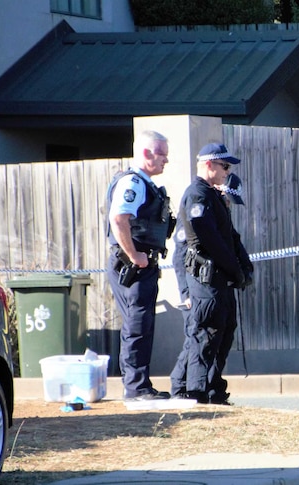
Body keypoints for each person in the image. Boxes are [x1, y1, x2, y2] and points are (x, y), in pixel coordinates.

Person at [172, 143, 253, 405]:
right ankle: (194, 391)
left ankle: (213, 389)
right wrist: (233, 269)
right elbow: (207, 241)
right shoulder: (198, 195)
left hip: (220, 280)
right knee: (205, 334)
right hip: (206, 280)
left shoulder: (212, 196)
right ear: (209, 165)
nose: (227, 172)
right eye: (225, 166)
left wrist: (242, 268)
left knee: (224, 331)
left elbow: (230, 237)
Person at [106, 129, 175, 401]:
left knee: (142, 323)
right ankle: (135, 388)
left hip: (141, 265)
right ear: (147, 153)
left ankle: (141, 385)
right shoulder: (133, 183)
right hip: (133, 266)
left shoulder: (143, 183)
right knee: (137, 324)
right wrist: (135, 256)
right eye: (162, 155)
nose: (166, 161)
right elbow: (118, 218)